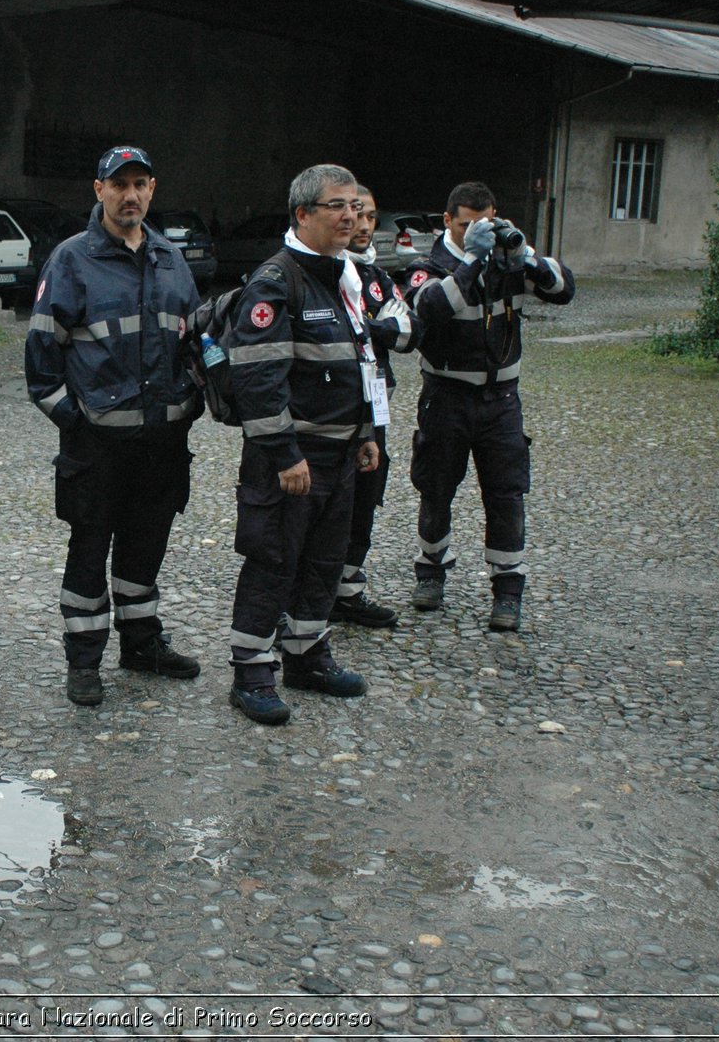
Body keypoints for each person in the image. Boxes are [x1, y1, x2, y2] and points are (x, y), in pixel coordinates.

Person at [24, 146, 203, 707]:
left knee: (145, 549)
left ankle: (142, 645)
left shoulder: (171, 259)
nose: (131, 195)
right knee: (89, 550)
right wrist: (73, 422)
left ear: (153, 189)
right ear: (98, 190)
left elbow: (196, 342)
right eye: (119, 184)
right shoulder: (71, 261)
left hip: (161, 442)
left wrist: (194, 401)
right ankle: (83, 663)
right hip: (96, 447)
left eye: (141, 184)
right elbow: (40, 359)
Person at [224, 164, 386, 727]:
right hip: (292, 460)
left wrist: (364, 431)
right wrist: (285, 454)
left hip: (340, 454)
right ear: (303, 214)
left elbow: (359, 360)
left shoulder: (343, 277)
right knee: (272, 561)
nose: (351, 216)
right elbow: (255, 379)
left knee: (322, 563)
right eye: (336, 206)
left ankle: (306, 656)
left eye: (355, 206)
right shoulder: (276, 281)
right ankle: (251, 673)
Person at [404, 181, 575, 631]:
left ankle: (508, 591)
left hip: (501, 399)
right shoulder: (429, 264)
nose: (475, 231)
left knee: (507, 493)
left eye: (484, 222)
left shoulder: (508, 258)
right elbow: (431, 309)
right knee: (436, 488)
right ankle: (431, 571)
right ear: (448, 221)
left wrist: (528, 259)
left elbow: (563, 290)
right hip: (446, 396)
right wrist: (473, 261)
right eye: (465, 225)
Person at [332, 186, 422, 628]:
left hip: (377, 408)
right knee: (330, 501)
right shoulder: (325, 272)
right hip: (333, 410)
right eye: (356, 215)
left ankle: (348, 592)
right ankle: (311, 592)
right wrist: (376, 325)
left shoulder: (379, 278)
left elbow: (407, 333)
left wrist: (371, 327)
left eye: (370, 216)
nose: (365, 226)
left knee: (367, 498)